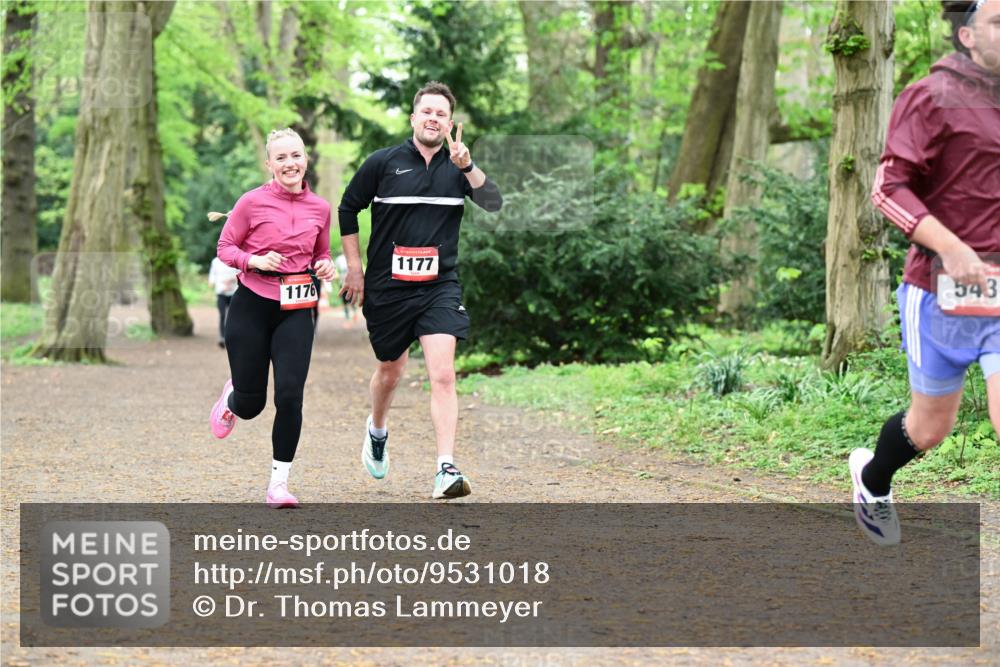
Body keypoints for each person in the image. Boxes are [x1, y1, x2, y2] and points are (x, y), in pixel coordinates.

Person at [851, 0, 1000, 545]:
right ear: (967, 35)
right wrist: (952, 247)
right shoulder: (932, 96)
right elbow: (888, 190)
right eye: (999, 23)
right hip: (939, 293)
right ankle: (872, 481)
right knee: (930, 428)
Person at [338, 81, 502, 499]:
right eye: (426, 111)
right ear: (413, 118)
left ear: (450, 123)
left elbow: (494, 202)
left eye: (441, 114)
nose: (433, 118)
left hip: (439, 286)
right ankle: (377, 429)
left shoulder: (459, 167)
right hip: (388, 287)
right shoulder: (383, 163)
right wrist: (355, 269)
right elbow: (348, 208)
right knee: (391, 371)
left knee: (443, 374)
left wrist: (468, 166)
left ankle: (445, 468)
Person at [209, 128, 335, 508]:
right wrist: (255, 261)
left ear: (305, 159)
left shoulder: (321, 208)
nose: (290, 163)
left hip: (296, 311)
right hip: (252, 305)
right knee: (252, 405)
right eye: (281, 158)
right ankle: (232, 398)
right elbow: (225, 247)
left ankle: (278, 484)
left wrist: (325, 265)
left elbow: (321, 252)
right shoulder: (251, 202)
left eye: (295, 155)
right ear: (269, 164)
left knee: (290, 396)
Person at [208, 256, 240, 348]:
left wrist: (231, 281)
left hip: (234, 293)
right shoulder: (215, 261)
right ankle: (222, 337)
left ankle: (233, 337)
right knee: (222, 315)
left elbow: (241, 274)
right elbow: (212, 275)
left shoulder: (235, 258)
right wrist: (211, 283)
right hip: (221, 293)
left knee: (234, 316)